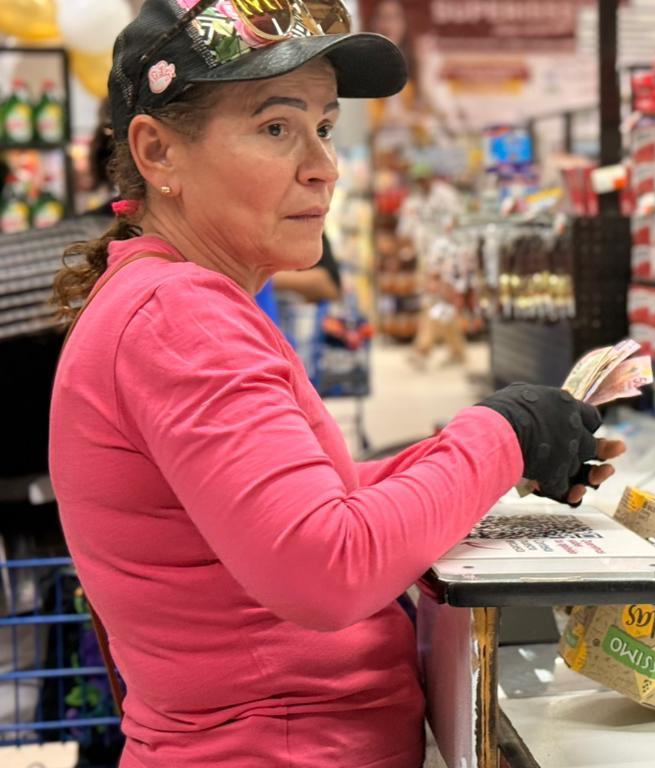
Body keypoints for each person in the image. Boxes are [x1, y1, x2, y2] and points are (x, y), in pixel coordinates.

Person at [48, 2, 622, 766]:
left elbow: (309, 503)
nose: (324, 165)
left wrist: (476, 457)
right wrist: (503, 435)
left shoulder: (170, 299)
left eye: (325, 126)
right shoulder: (179, 315)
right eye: (276, 127)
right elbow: (325, 566)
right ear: (158, 154)